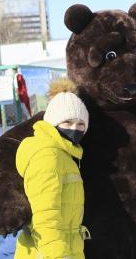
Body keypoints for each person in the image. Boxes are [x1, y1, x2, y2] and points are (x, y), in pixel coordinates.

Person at [14, 79, 91, 259]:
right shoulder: (48, 156)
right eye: (67, 122)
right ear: (53, 123)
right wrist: (58, 256)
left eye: (81, 124)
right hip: (48, 253)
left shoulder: (65, 153)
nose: (75, 128)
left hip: (66, 248)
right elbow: (46, 217)